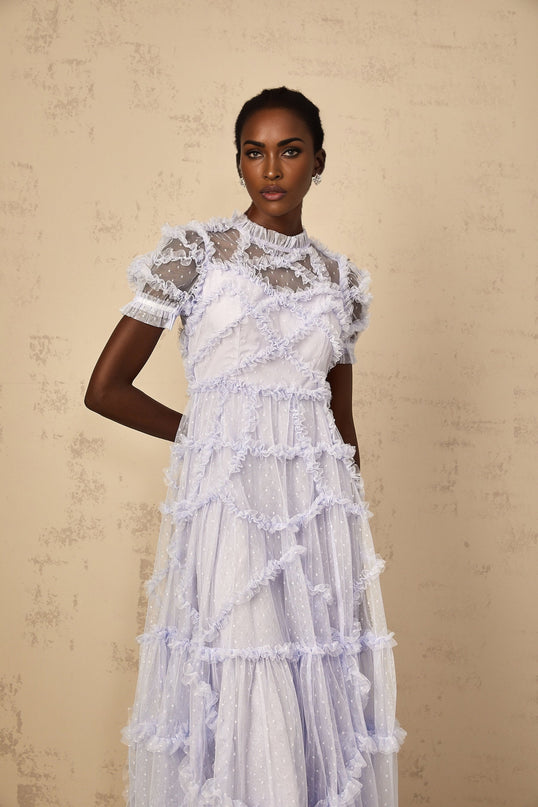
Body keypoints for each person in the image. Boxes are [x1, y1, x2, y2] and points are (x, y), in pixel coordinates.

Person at [85, 86, 406, 807]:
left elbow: (340, 425)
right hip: (232, 506)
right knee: (243, 677)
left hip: (315, 519)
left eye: (290, 151)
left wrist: (351, 543)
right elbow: (105, 388)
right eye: (254, 152)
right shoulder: (195, 255)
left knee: (311, 689)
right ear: (238, 162)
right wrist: (207, 437)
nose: (271, 169)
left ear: (319, 161)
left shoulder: (340, 283)